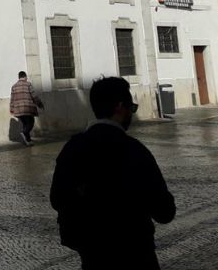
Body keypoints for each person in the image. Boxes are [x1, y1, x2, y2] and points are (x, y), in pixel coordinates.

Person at [49, 76, 175, 269]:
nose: (132, 114)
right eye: (131, 108)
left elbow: (57, 199)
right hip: (136, 256)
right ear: (119, 107)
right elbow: (164, 211)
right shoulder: (133, 150)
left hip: (92, 257)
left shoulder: (72, 148)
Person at [9, 70, 41, 145]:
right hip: (27, 108)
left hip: (18, 109)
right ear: (25, 76)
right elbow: (33, 95)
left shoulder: (14, 86)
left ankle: (28, 140)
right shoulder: (28, 84)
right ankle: (24, 133)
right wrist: (39, 103)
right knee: (30, 123)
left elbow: (12, 98)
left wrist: (11, 109)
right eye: (26, 77)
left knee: (25, 124)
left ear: (19, 77)